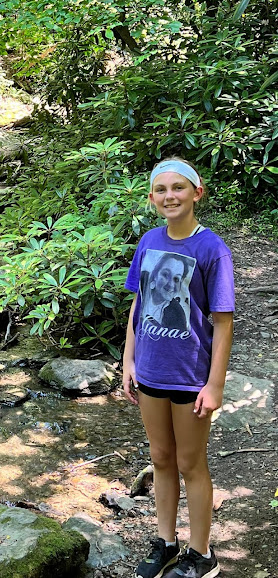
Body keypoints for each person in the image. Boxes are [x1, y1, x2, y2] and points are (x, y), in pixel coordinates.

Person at [122, 158, 235, 578]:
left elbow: (223, 322)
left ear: (196, 193)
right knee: (160, 457)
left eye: (179, 187)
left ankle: (202, 554)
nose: (170, 196)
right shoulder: (149, 241)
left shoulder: (212, 250)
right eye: (161, 189)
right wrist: (128, 359)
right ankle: (166, 542)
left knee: (191, 463)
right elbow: (139, 301)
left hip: (190, 375)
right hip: (151, 370)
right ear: (152, 198)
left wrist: (215, 384)